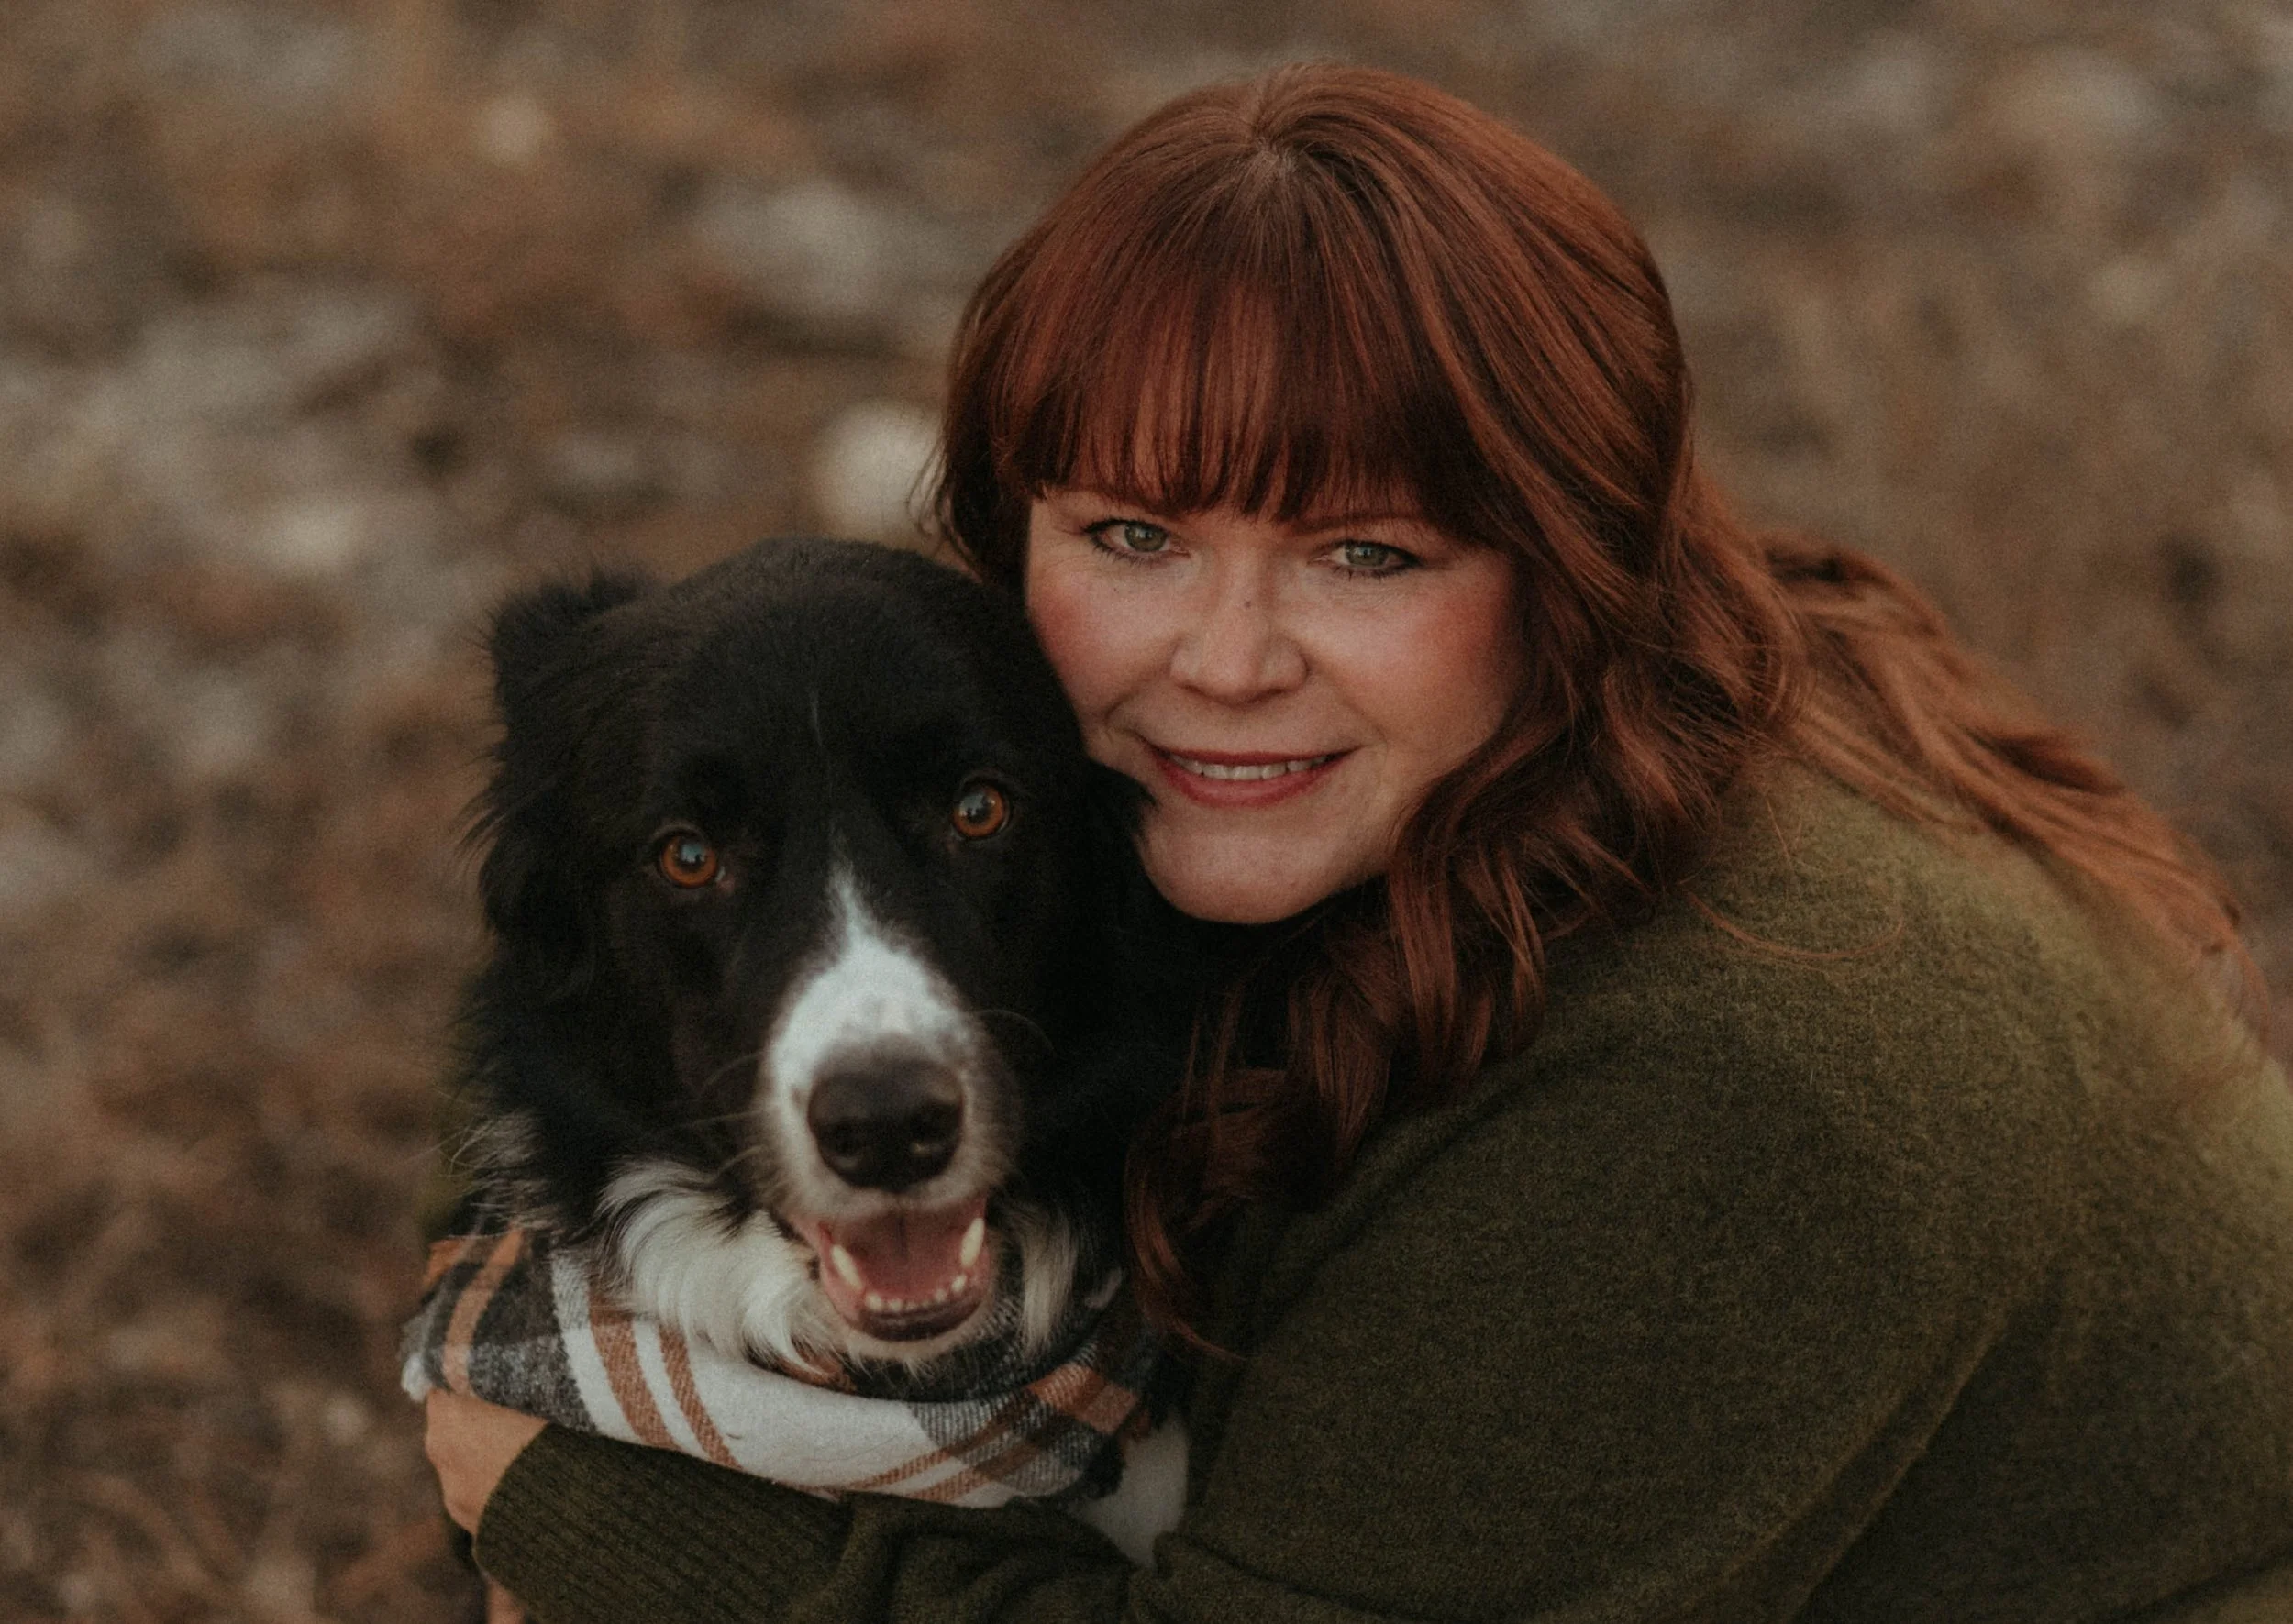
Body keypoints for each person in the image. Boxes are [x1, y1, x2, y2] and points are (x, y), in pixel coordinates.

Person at [424, 63, 2293, 1621]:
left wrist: (597, 1526)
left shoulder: (1717, 1085)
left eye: (1364, 553)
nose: (1224, 667)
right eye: (1135, 538)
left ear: (1564, 566)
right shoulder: (1434, 798)